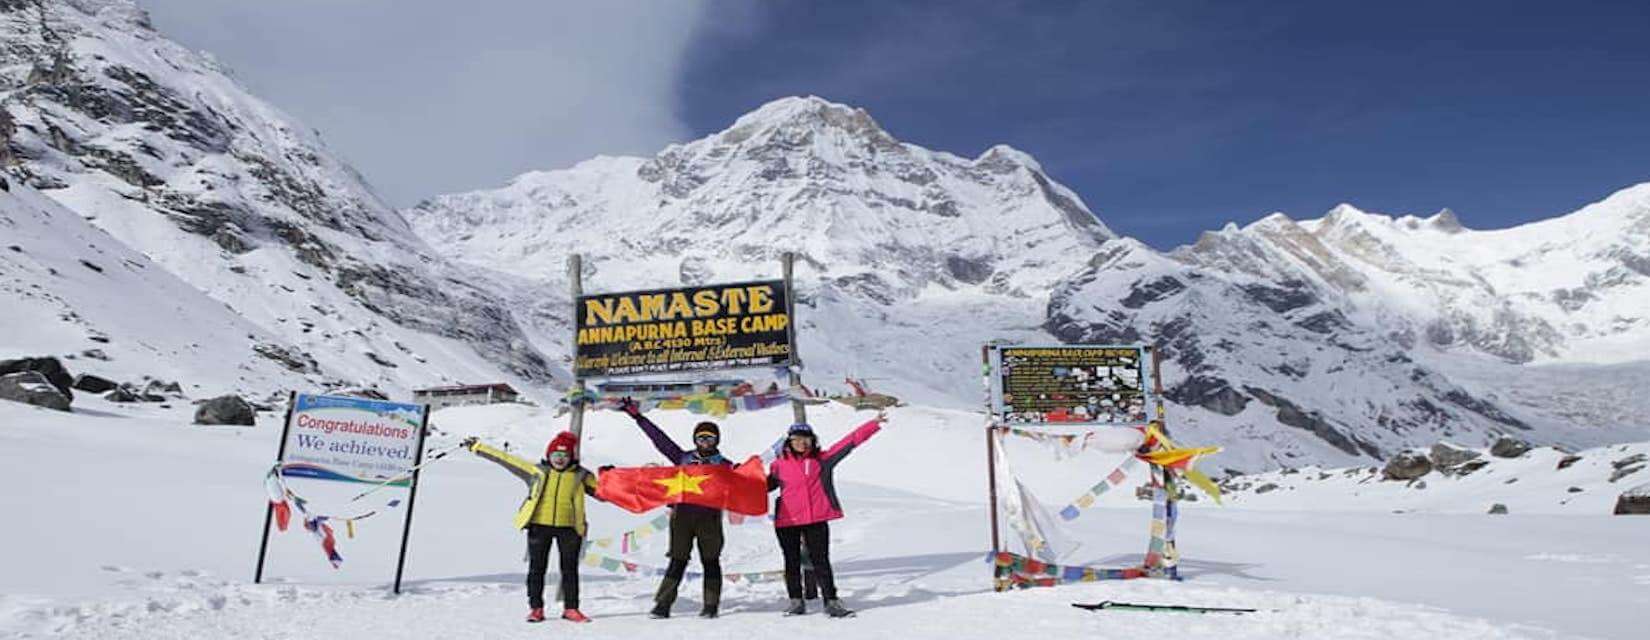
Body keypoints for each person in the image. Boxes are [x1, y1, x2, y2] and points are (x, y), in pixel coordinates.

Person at [462, 431, 601, 624]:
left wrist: (612, 475)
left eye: (564, 456)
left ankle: (571, 609)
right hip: (539, 526)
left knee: (569, 570)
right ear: (549, 455)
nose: (559, 460)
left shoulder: (580, 475)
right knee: (537, 569)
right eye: (555, 456)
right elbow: (506, 459)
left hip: (570, 528)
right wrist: (478, 447)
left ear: (571, 457)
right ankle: (536, 608)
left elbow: (604, 492)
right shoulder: (537, 472)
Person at [618, 397, 731, 619]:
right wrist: (638, 417)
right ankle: (663, 604)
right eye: (701, 437)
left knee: (711, 560)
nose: (705, 441)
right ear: (695, 439)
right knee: (678, 560)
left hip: (709, 518)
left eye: (710, 438)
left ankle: (710, 605)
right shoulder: (683, 457)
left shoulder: (725, 465)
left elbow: (745, 480)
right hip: (682, 517)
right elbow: (660, 440)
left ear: (717, 440)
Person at [767, 413, 887, 618]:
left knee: (821, 561)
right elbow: (764, 486)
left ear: (813, 441)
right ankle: (796, 601)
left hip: (816, 519)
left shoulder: (823, 460)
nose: (801, 443)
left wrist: (873, 424)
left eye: (806, 439)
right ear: (789, 442)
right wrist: (739, 479)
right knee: (791, 561)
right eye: (796, 439)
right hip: (788, 520)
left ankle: (831, 601)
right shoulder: (779, 465)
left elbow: (849, 442)